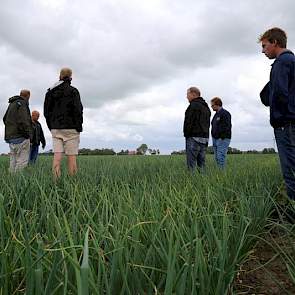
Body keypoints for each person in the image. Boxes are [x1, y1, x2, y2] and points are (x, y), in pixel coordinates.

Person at [259, 27, 295, 200]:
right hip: (290, 122)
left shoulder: (282, 62)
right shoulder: (291, 61)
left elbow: (280, 93)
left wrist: (279, 118)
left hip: (286, 124)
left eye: (265, 46)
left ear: (274, 42)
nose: (263, 51)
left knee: (290, 170)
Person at [44, 67, 83, 179]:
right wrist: (78, 127)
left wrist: (51, 127)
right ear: (71, 77)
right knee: (72, 158)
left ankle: (56, 182)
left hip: (56, 128)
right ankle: (73, 185)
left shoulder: (50, 92)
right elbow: (78, 110)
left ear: (60, 77)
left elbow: (46, 112)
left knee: (57, 157)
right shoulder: (73, 91)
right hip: (71, 128)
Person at [3, 89, 32, 172]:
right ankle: (18, 183)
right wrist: (27, 134)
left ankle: (11, 182)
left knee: (13, 161)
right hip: (21, 137)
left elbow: (5, 119)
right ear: (28, 96)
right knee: (22, 162)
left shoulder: (12, 104)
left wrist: (11, 128)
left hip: (10, 137)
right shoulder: (22, 103)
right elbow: (24, 121)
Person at [183, 86, 211, 171]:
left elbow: (188, 122)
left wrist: (186, 135)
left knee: (191, 166)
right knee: (201, 165)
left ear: (193, 94)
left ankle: (192, 183)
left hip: (193, 138)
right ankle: (202, 182)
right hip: (204, 138)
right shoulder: (206, 107)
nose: (186, 96)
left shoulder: (193, 106)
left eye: (188, 94)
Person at [211, 97, 232, 169]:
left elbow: (227, 126)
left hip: (222, 139)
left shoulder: (225, 113)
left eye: (212, 105)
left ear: (217, 104)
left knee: (220, 157)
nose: (212, 107)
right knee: (217, 158)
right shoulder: (216, 114)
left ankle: (221, 175)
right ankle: (218, 174)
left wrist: (221, 137)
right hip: (215, 139)